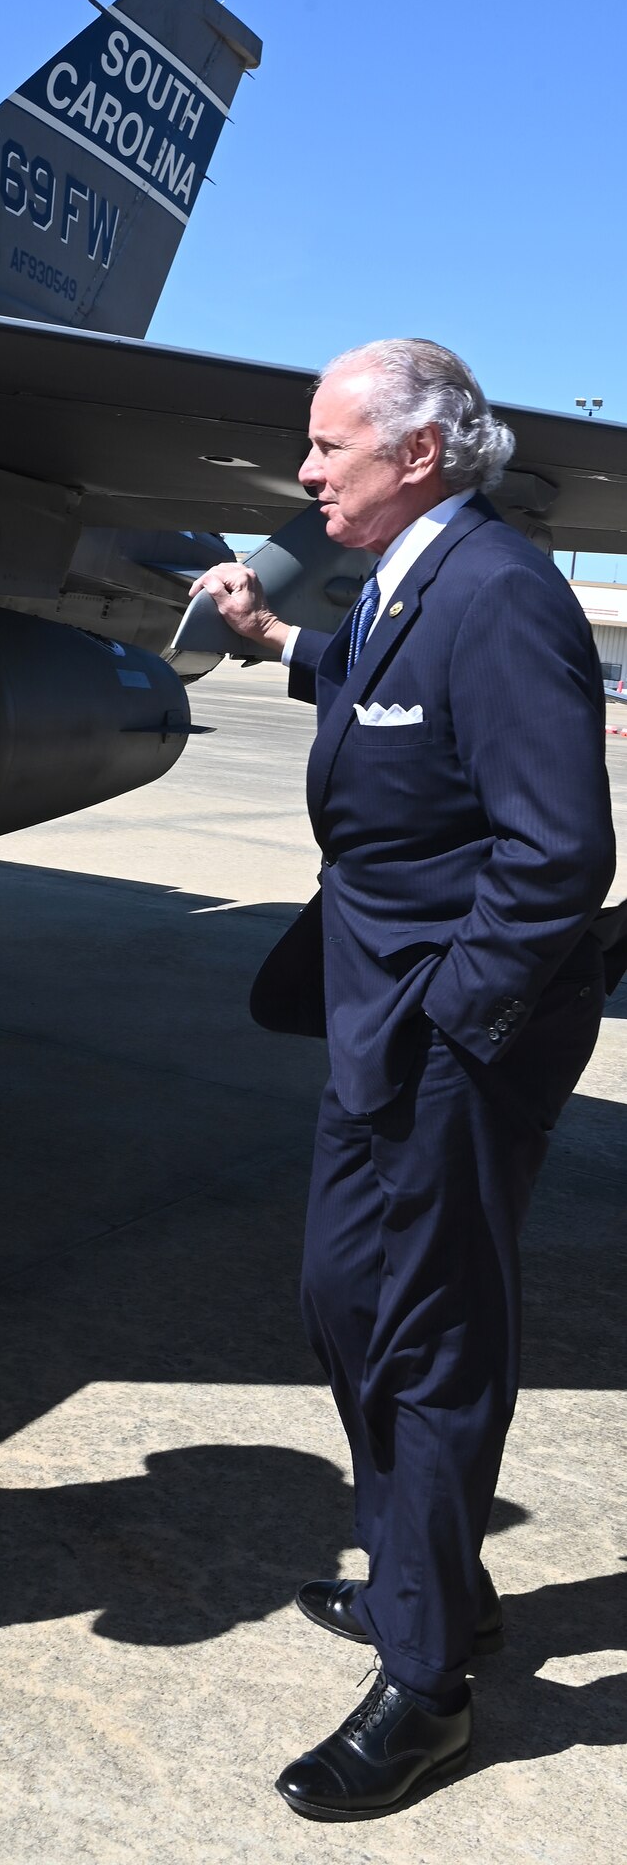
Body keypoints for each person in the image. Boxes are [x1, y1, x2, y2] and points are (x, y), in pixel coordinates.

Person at [190, 339, 615, 1820]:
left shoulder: (498, 595)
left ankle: (427, 1682)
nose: (301, 475)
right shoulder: (397, 583)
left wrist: (455, 1018)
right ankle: (434, 1581)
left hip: (448, 1034)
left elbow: (559, 851)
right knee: (343, 1300)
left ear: (418, 455)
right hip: (383, 1020)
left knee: (423, 1331)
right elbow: (380, 692)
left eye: (326, 449)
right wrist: (270, 639)